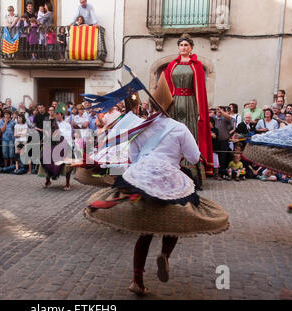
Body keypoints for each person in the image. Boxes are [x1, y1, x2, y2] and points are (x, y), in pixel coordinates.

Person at [84, 108, 229, 296]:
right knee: (176, 217)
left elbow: (134, 157)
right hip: (170, 178)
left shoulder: (140, 127)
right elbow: (194, 157)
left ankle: (137, 279)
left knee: (146, 231)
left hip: (142, 176)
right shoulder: (179, 127)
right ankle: (165, 254)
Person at [164, 34, 214, 177]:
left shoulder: (196, 65)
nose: (183, 47)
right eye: (181, 45)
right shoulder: (172, 65)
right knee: (173, 133)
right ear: (178, 48)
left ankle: (190, 168)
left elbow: (200, 90)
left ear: (191, 48)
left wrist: (200, 110)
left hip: (190, 102)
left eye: (186, 45)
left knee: (190, 133)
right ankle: (173, 164)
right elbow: (166, 85)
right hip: (174, 103)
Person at [38, 105, 73, 190]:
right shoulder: (52, 122)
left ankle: (67, 183)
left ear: (61, 115)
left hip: (64, 145)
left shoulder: (66, 124)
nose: (56, 115)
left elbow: (68, 136)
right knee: (45, 155)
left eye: (57, 114)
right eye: (55, 114)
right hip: (52, 144)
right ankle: (47, 180)